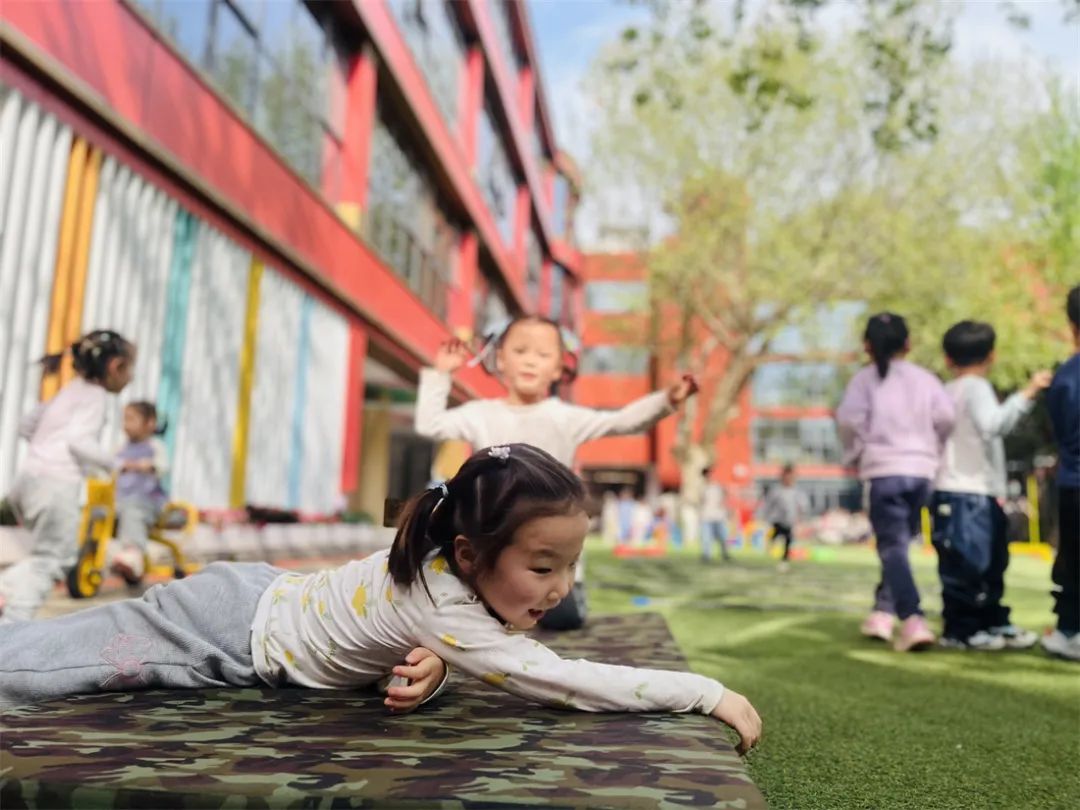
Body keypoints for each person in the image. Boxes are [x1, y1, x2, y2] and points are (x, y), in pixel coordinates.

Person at [0, 444, 764, 755]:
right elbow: (568, 682)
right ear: (471, 554)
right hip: (223, 631)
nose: (561, 588)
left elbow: (424, 628)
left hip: (255, 596)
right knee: (34, 668)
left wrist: (436, 665)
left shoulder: (440, 554)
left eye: (570, 565)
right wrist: (704, 692)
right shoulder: (446, 603)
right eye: (542, 566)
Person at [415, 315, 697, 630]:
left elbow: (622, 422)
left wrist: (666, 400)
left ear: (560, 368)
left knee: (562, 619)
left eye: (543, 354)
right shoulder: (479, 414)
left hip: (551, 542)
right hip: (495, 537)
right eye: (520, 351)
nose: (530, 361)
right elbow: (430, 424)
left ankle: (565, 593)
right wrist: (441, 373)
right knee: (474, 611)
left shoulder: (565, 418)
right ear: (500, 359)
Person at [836, 313, 955, 652]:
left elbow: (848, 421)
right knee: (899, 545)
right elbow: (946, 417)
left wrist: (858, 452)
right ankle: (882, 612)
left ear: (867, 347)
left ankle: (912, 617)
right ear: (908, 343)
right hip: (921, 472)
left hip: (884, 470)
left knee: (891, 548)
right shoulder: (926, 379)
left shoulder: (864, 381)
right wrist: (932, 447)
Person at [0, 330, 135, 623]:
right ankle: (11, 625)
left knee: (44, 556)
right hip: (55, 485)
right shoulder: (96, 397)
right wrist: (114, 464)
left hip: (28, 480)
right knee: (54, 560)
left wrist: (46, 448)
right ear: (116, 367)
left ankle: (7, 591)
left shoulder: (70, 390)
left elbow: (26, 425)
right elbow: (78, 441)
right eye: (130, 369)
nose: (131, 377)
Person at [932, 321, 1050, 650]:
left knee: (987, 562)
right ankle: (962, 630)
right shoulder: (976, 387)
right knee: (971, 565)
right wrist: (1027, 393)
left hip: (970, 490)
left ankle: (991, 621)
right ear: (992, 356)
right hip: (967, 489)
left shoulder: (946, 390)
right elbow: (993, 424)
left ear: (947, 358)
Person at [1043, 285, 1080, 661]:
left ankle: (1069, 629)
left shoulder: (1064, 377)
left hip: (1073, 484)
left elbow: (1056, 429)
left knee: (1072, 559)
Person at [111, 401, 170, 582]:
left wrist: (149, 465)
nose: (126, 425)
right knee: (98, 513)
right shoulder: (121, 447)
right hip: (120, 500)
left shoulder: (155, 446)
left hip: (148, 501)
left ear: (149, 423)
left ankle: (133, 553)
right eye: (124, 419)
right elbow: (110, 463)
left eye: (131, 419)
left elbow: (163, 466)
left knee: (133, 510)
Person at [761, 464, 809, 568]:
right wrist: (765, 517)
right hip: (777, 519)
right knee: (776, 534)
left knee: (788, 539)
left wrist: (801, 520)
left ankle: (784, 560)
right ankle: (771, 544)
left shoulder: (797, 492)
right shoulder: (776, 490)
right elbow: (768, 504)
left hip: (789, 520)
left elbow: (803, 506)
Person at [700, 469, 732, 562]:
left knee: (724, 536)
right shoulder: (702, 487)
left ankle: (725, 553)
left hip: (719, 516)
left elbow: (725, 496)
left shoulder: (718, 486)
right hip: (707, 516)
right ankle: (706, 555)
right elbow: (700, 500)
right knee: (706, 537)